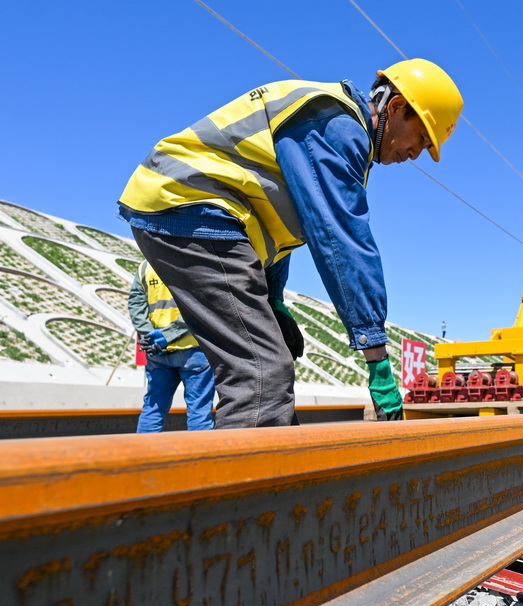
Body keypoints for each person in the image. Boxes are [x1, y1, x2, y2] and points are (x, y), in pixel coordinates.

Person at [117, 59, 463, 428]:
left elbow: (271, 221)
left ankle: (275, 470)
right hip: (193, 206)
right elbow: (341, 239)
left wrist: (274, 299)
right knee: (261, 375)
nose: (417, 154)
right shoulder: (335, 124)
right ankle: (247, 483)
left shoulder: (333, 125)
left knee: (268, 365)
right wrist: (376, 355)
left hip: (191, 209)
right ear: (396, 108)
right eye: (422, 139)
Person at [129, 260, 215, 432]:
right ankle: (201, 458)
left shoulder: (145, 267)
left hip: (157, 351)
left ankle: (143, 456)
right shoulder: (194, 260)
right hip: (194, 348)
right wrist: (168, 335)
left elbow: (135, 305)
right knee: (199, 411)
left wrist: (150, 336)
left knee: (153, 408)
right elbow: (200, 306)